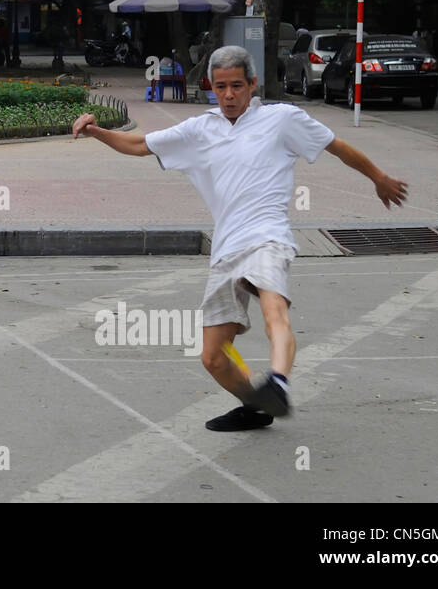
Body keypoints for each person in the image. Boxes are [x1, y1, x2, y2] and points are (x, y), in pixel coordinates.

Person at [71, 45, 407, 431]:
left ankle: (278, 382)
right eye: (220, 87)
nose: (229, 95)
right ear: (210, 87)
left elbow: (337, 146)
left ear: (252, 84)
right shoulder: (200, 130)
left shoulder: (282, 120)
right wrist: (96, 131)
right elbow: (139, 145)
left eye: (236, 86)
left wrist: (378, 178)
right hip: (227, 248)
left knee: (273, 311)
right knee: (212, 356)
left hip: (268, 237)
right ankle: (257, 405)